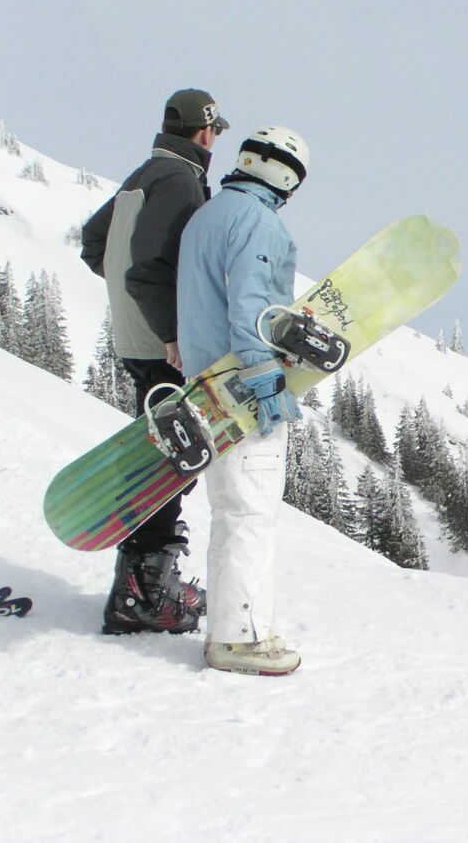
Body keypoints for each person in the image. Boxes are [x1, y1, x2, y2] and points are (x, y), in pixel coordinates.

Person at [81, 89, 229, 636]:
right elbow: (146, 267)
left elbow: (95, 243)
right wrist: (169, 331)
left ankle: (140, 585)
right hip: (160, 344)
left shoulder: (144, 175)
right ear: (207, 131)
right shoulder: (179, 180)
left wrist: (129, 303)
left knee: (164, 461)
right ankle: (145, 592)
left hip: (136, 336)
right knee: (170, 465)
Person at [177, 126, 310, 675]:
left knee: (232, 511)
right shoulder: (257, 222)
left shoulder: (208, 214)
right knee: (250, 512)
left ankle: (234, 628)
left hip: (205, 387)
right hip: (239, 393)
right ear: (286, 176)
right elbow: (251, 305)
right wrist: (264, 378)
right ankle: (238, 638)